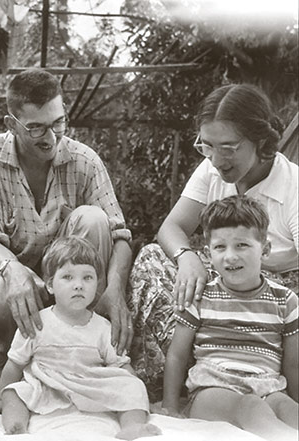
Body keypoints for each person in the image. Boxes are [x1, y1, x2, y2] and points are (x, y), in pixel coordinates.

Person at [127, 83, 298, 401]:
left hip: (276, 296)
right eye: (207, 146)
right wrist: (186, 256)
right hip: (223, 282)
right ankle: (191, 372)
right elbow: (172, 226)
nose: (217, 160)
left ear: (260, 140)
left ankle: (264, 376)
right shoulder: (210, 170)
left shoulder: (294, 187)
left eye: (229, 147)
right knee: (151, 257)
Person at [0, 68, 133, 365]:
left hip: (66, 274)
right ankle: (11, 345)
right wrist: (13, 270)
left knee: (93, 218)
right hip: (4, 264)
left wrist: (115, 288)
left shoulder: (85, 160)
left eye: (59, 123)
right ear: (11, 124)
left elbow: (120, 236)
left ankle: (81, 346)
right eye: (37, 128)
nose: (51, 138)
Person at [0, 236, 161, 440]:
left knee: (133, 386)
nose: (78, 285)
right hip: (46, 385)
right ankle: (16, 428)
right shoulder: (36, 324)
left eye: (87, 278)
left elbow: (120, 366)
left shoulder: (102, 327)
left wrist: (135, 392)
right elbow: (14, 365)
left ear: (97, 285)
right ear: (50, 285)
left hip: (90, 386)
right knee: (13, 392)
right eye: (68, 277)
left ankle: (132, 426)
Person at [162, 195, 298, 441]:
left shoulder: (284, 300)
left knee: (289, 410)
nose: (230, 256)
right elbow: (177, 355)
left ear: (265, 249)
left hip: (268, 386)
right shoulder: (201, 296)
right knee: (251, 407)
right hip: (212, 389)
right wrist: (171, 407)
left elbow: (293, 364)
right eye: (220, 247)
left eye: (242, 245)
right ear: (208, 253)